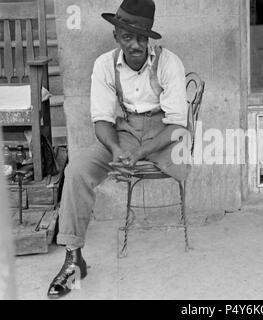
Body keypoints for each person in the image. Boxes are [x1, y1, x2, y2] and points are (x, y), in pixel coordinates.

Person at [47, 0, 190, 299]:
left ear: (149, 38)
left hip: (162, 134)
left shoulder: (169, 63)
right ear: (116, 36)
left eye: (141, 37)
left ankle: (134, 156)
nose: (135, 44)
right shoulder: (104, 65)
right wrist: (115, 150)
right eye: (127, 36)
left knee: (174, 156)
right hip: (122, 135)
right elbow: (101, 120)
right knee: (76, 170)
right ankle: (74, 259)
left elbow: (178, 126)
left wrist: (139, 153)